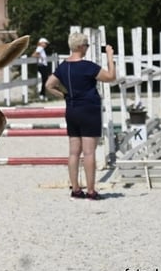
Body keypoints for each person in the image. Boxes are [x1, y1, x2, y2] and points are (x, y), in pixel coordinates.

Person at [45, 32, 116, 200]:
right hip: (89, 109)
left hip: (72, 109)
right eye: (86, 45)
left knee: (74, 152)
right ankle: (91, 190)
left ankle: (76, 189)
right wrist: (110, 57)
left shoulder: (63, 67)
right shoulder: (88, 66)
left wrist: (63, 95)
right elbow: (111, 77)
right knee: (89, 152)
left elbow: (49, 85)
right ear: (81, 47)